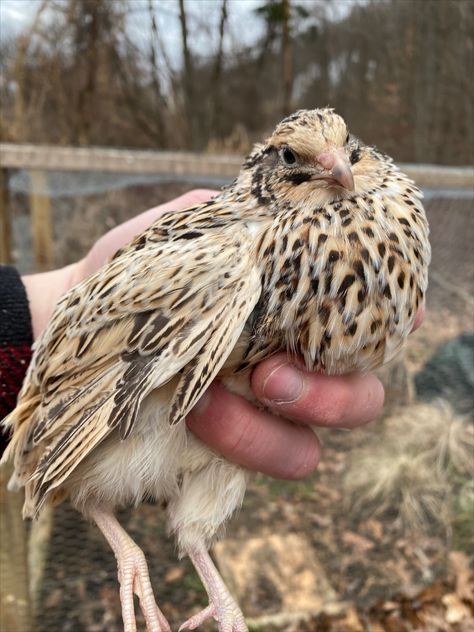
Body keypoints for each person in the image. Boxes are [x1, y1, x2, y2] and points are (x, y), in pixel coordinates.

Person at [0, 189, 423, 477]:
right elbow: (103, 371)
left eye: (345, 152)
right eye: (294, 159)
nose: (333, 168)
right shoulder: (224, 254)